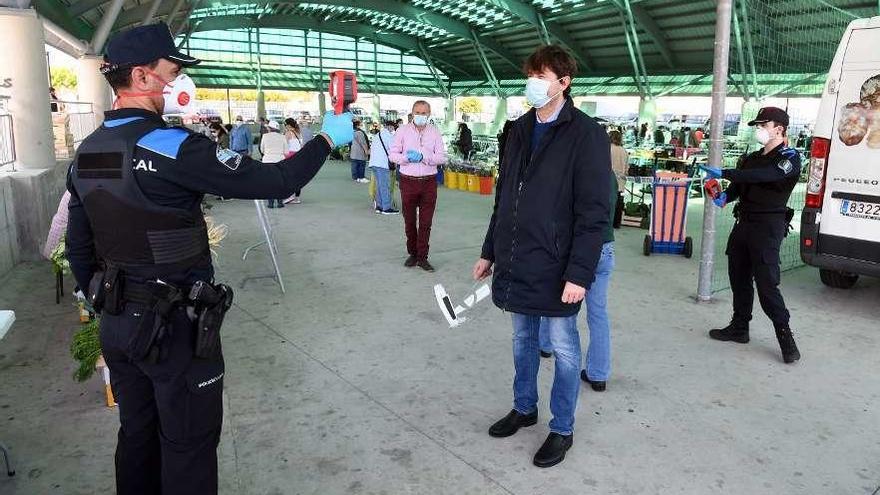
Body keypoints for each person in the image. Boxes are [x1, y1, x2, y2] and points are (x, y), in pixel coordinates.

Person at [64, 22, 353, 495]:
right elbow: (275, 182)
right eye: (171, 72)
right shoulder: (172, 146)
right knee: (188, 444)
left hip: (116, 321)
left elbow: (79, 247)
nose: (176, 84)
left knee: (136, 435)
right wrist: (324, 141)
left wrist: (107, 303)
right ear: (141, 77)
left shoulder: (87, 152)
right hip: (174, 326)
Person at [472, 44, 611, 469]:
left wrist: (579, 274)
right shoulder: (516, 129)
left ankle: (562, 428)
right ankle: (524, 406)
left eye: (542, 76)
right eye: (530, 74)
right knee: (522, 341)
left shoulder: (586, 133)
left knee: (565, 349)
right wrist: (490, 251)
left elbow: (594, 212)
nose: (533, 83)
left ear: (564, 82)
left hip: (558, 264)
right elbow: (505, 197)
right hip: (517, 257)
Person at [700, 106, 801, 364]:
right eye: (757, 126)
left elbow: (764, 176)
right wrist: (720, 195)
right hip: (743, 224)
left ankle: (785, 336)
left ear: (779, 128)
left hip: (768, 228)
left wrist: (725, 172)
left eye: (763, 125)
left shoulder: (789, 158)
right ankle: (739, 327)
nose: (759, 130)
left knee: (767, 285)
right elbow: (737, 188)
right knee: (739, 278)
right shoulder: (751, 158)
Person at [538, 171, 618, 392]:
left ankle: (545, 345)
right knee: (598, 313)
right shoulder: (608, 175)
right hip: (606, 248)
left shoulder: (575, 171)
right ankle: (598, 374)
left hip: (580, 250)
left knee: (558, 302)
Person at [389, 100, 447, 272]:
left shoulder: (435, 133)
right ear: (412, 113)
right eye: (417, 112)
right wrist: (406, 158)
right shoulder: (402, 131)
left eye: (424, 113)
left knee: (426, 222)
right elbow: (393, 155)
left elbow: (441, 158)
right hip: (408, 181)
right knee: (409, 221)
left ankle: (422, 257)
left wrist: (423, 157)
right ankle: (413, 254)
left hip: (429, 182)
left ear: (429, 115)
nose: (420, 115)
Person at [369, 119, 399, 215]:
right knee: (385, 185)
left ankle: (379, 206)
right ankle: (386, 207)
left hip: (374, 163)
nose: (393, 130)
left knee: (379, 185)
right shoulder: (388, 136)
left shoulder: (377, 135)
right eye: (393, 128)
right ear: (390, 127)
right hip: (382, 164)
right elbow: (393, 150)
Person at [260, 120, 289, 208]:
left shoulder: (265, 136)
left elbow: (262, 149)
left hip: (267, 160)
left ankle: (270, 203)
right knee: (279, 182)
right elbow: (286, 151)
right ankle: (280, 202)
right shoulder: (282, 137)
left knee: (269, 182)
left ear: (269, 128)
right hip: (279, 161)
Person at [608, 129, 627, 228]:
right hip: (621, 180)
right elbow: (627, 167)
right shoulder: (624, 151)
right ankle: (617, 223)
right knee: (619, 202)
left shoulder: (608, 149)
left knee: (609, 203)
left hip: (609, 180)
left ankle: (609, 223)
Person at [284, 118, 305, 204]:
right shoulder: (299, 132)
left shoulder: (288, 133)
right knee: (297, 177)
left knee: (288, 176)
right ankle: (297, 197)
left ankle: (290, 195)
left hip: (290, 156)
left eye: (285, 125)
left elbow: (284, 145)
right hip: (299, 156)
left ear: (288, 125)